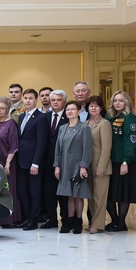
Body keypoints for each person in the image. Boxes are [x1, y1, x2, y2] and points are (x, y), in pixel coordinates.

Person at [54, 100, 93, 234]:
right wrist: (57, 166)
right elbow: (57, 149)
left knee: (77, 195)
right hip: (65, 165)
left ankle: (78, 222)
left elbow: (87, 149)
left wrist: (83, 166)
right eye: (68, 109)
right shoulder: (62, 128)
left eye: (72, 109)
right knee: (68, 196)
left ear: (78, 111)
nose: (70, 111)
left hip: (77, 166)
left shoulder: (84, 128)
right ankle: (68, 222)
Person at [106, 91, 136, 233]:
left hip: (124, 162)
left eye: (121, 100)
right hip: (110, 161)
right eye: (115, 100)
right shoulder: (109, 117)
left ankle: (121, 222)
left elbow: (130, 141)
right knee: (109, 194)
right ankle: (114, 220)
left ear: (127, 102)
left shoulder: (130, 119)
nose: (118, 103)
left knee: (123, 193)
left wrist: (125, 162)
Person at [15, 89, 48, 230]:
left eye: (31, 98)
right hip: (21, 160)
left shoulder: (41, 118)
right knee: (22, 190)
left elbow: (42, 143)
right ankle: (27, 217)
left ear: (36, 100)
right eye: (26, 98)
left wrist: (36, 163)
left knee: (35, 191)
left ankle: (34, 219)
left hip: (33, 162)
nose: (28, 101)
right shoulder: (22, 117)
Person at [0, 96, 21, 227]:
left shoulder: (11, 123)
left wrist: (7, 163)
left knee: (8, 190)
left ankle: (9, 219)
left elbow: (14, 145)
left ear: (8, 109)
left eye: (2, 108)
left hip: (7, 162)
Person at [85, 95, 112, 234]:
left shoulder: (104, 124)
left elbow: (106, 148)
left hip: (101, 166)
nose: (93, 108)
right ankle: (92, 222)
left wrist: (101, 167)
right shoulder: (85, 123)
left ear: (101, 108)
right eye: (91, 106)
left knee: (99, 198)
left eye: (96, 106)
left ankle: (98, 224)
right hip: (87, 166)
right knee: (90, 197)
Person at [41, 89, 67, 229]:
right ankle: (51, 219)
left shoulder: (69, 117)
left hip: (63, 161)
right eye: (53, 100)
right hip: (47, 161)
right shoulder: (45, 117)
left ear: (64, 102)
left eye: (58, 100)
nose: (55, 102)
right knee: (49, 192)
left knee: (63, 193)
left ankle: (65, 219)